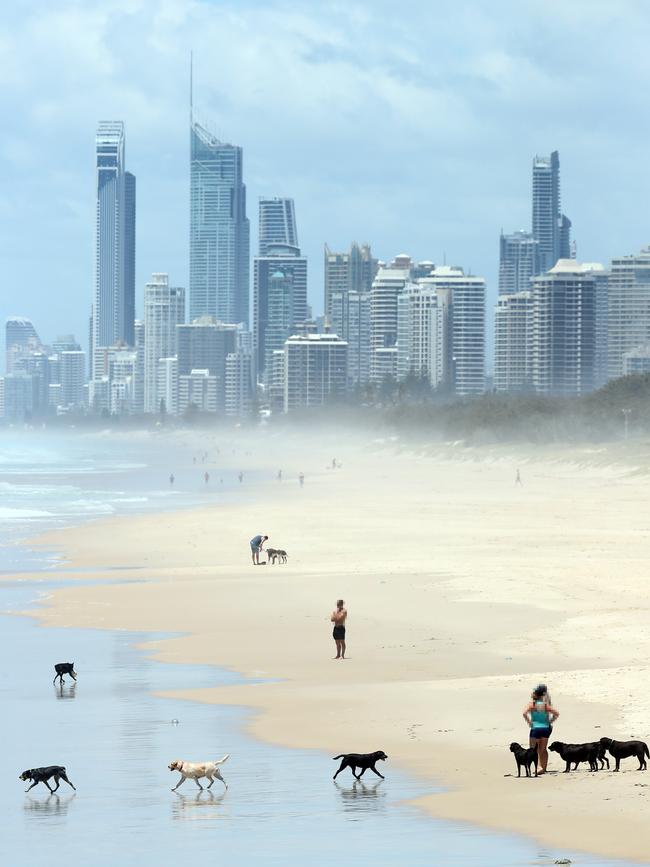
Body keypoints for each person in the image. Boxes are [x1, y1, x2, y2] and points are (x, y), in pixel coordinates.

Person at [523, 685, 559, 775]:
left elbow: (524, 713)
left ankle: (539, 767)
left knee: (534, 750)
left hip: (535, 728)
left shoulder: (532, 705)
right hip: (545, 728)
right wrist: (550, 721)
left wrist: (529, 722)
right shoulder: (545, 705)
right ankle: (544, 767)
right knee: (543, 749)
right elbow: (556, 713)